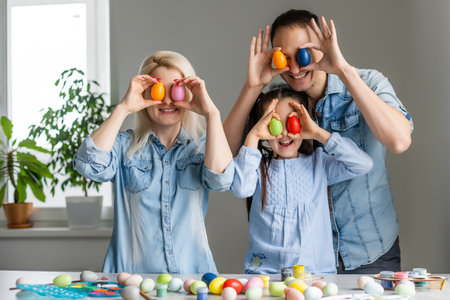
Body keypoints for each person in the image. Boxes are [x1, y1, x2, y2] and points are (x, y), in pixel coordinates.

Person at [224, 9, 413, 273]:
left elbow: (399, 141)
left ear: (323, 47)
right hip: (304, 264)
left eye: (304, 54)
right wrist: (252, 86)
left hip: (369, 250)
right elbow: (222, 161)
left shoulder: (367, 82)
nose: (295, 67)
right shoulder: (276, 105)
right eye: (284, 58)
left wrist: (342, 69)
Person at [73, 50, 234, 273]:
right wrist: (124, 108)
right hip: (130, 282)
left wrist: (211, 113)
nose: (168, 100)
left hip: (193, 280)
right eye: (159, 91)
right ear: (146, 93)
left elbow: (222, 180)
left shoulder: (203, 147)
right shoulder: (123, 146)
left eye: (176, 90)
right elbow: (88, 165)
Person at [231, 88, 372, 274]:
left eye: (291, 122)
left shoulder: (319, 163)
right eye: (275, 124)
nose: (284, 134)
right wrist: (253, 136)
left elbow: (363, 164)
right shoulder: (255, 166)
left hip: (315, 275)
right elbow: (241, 189)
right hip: (265, 275)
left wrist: (318, 133)